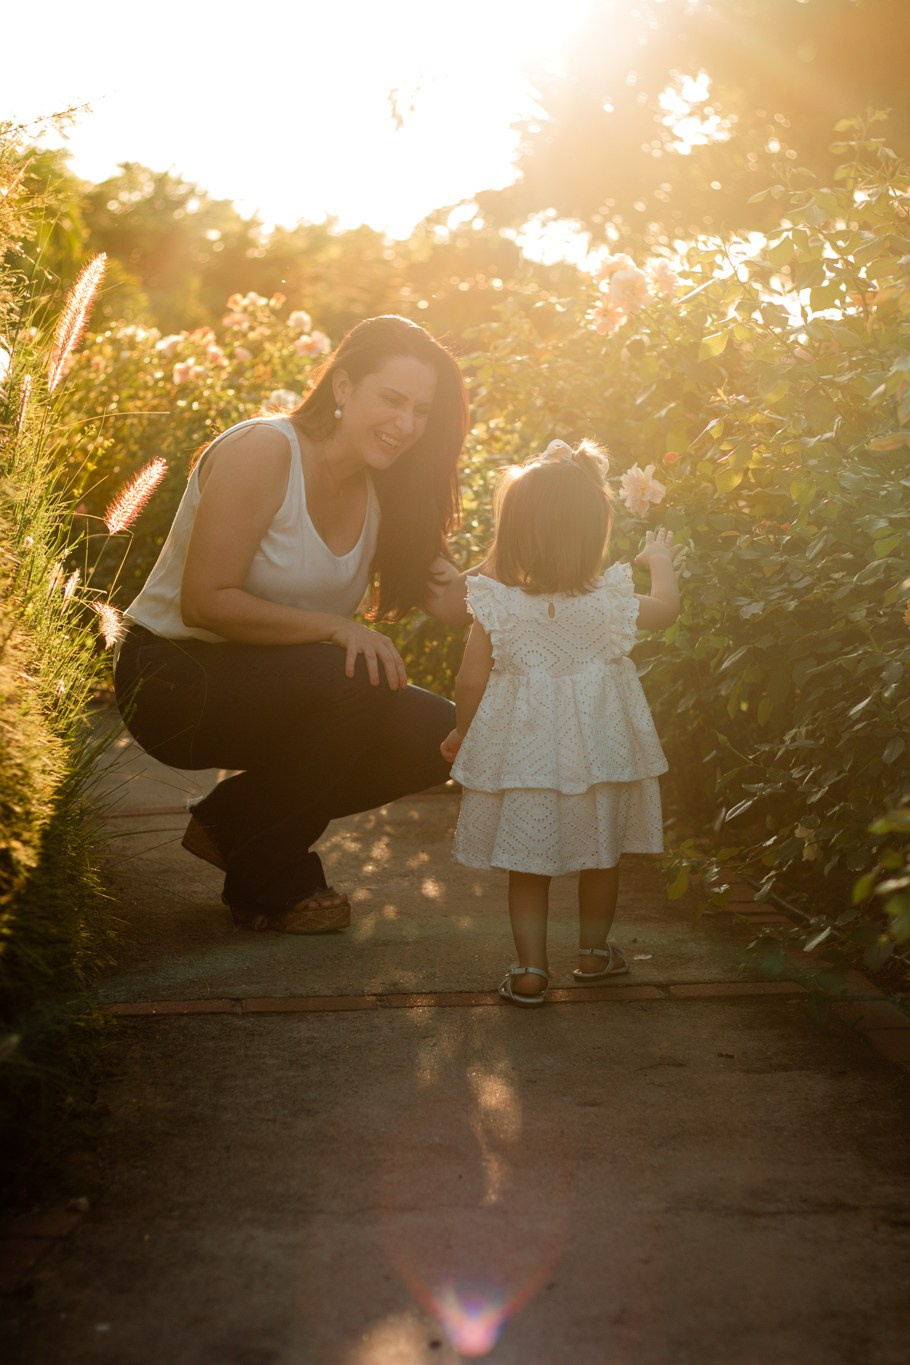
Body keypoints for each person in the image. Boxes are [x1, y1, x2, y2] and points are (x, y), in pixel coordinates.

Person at [114, 315, 476, 934]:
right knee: (357, 675)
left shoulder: (386, 490)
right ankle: (270, 882)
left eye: (421, 409)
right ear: (342, 386)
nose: (406, 424)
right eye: (391, 399)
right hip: (173, 680)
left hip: (281, 689)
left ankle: (234, 826)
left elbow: (457, 602)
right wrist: (336, 628)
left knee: (442, 734)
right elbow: (205, 600)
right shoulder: (264, 449)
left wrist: (542, 545)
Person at [440, 439, 681, 1005]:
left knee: (527, 865)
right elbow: (667, 610)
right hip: (599, 757)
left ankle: (530, 971)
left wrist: (461, 732)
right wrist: (661, 561)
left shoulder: (497, 604)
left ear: (515, 532)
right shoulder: (611, 601)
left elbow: (469, 681)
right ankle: (594, 955)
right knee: (602, 856)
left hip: (525, 761)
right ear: (596, 529)